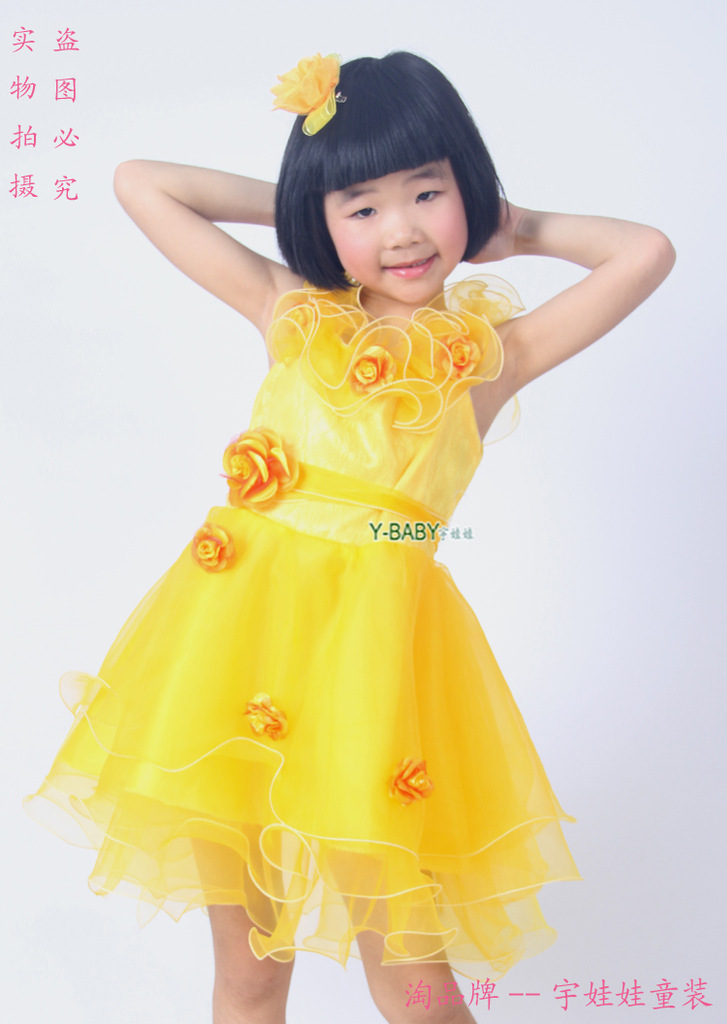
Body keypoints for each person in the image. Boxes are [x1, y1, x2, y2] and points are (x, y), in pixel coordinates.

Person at [24, 51, 675, 1024]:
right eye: (363, 206)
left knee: (413, 984)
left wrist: (514, 229)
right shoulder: (289, 310)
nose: (401, 229)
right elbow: (142, 183)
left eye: (427, 193)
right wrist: (308, 206)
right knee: (249, 975)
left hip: (372, 682)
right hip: (231, 670)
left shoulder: (488, 360)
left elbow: (645, 252)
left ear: (466, 192)